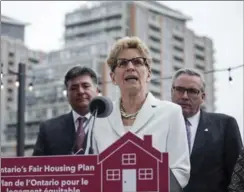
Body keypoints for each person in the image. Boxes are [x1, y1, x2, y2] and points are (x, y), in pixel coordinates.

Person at [92, 36, 191, 188]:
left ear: (149, 74)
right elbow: (93, 170)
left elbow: (180, 170)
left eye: (137, 62)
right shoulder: (99, 117)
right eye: (123, 63)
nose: (130, 67)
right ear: (112, 77)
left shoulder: (171, 113)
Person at [171, 68, 243, 192]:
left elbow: (238, 178)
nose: (185, 96)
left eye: (192, 91)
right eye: (180, 90)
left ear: (202, 97)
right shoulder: (158, 126)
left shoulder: (225, 125)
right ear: (172, 92)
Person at [33, 66, 99, 156]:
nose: (80, 91)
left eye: (85, 86)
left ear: (97, 91)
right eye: (74, 88)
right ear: (67, 94)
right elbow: (36, 166)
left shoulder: (110, 124)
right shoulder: (48, 129)